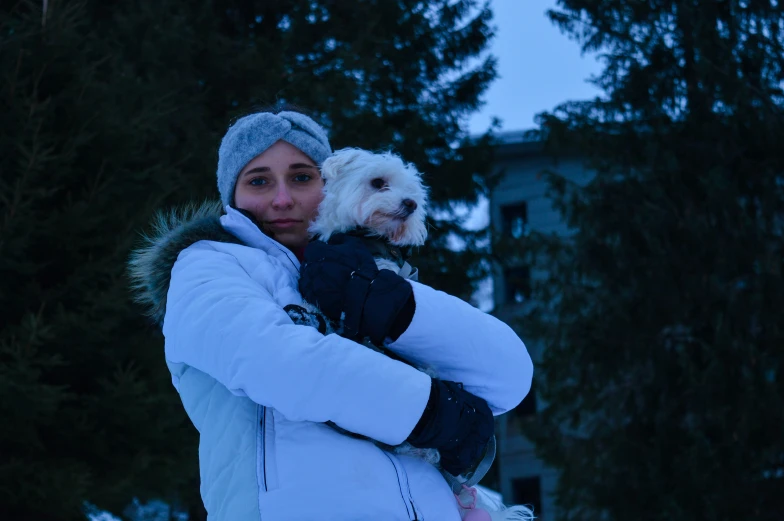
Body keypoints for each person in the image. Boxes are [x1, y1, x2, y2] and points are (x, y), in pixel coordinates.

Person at [129, 108, 534, 521]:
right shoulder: (206, 267)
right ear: (231, 195)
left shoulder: (369, 273)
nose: (282, 198)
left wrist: (397, 309)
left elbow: (507, 375)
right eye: (258, 181)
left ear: (330, 184)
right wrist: (429, 411)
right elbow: (275, 361)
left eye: (302, 177)